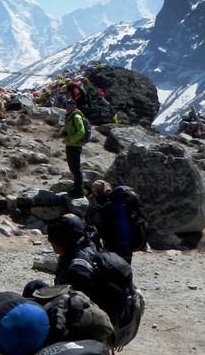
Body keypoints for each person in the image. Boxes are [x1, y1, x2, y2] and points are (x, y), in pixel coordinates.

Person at [46, 213, 141, 347]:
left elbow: (78, 309)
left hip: (94, 325)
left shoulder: (76, 270)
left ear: (60, 241)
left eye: (51, 240)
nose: (51, 243)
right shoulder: (85, 249)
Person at [62, 99, 87, 197]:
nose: (67, 108)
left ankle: (80, 190)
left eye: (69, 106)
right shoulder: (70, 116)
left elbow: (81, 132)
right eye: (66, 106)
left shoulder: (76, 117)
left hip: (75, 146)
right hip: (70, 145)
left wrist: (69, 140)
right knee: (72, 167)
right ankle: (76, 187)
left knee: (76, 168)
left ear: (74, 106)